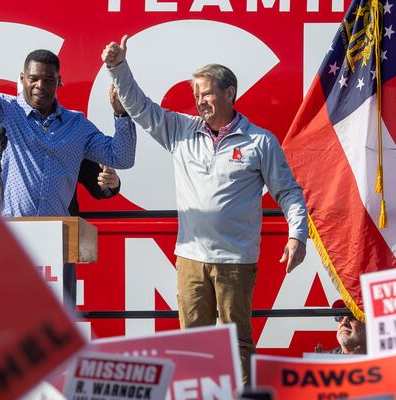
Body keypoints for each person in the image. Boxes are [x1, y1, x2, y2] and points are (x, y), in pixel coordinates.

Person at [102, 36, 308, 385]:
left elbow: (287, 191)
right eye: (196, 95)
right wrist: (118, 67)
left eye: (207, 93)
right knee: (192, 345)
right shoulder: (180, 130)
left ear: (230, 93)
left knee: (237, 343)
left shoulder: (260, 141)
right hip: (191, 259)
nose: (200, 101)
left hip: (236, 260)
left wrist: (296, 235)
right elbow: (139, 107)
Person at [0, 17, 136, 217]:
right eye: (33, 79)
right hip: (8, 238)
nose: (40, 85)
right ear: (23, 79)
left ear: (59, 82)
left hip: (57, 238)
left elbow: (121, 158)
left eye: (48, 80)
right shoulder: (1, 112)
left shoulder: (76, 125)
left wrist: (121, 113)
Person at [0, 141, 122, 215]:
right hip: (10, 235)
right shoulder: (0, 133)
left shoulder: (69, 133)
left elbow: (97, 183)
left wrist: (110, 182)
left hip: (59, 233)